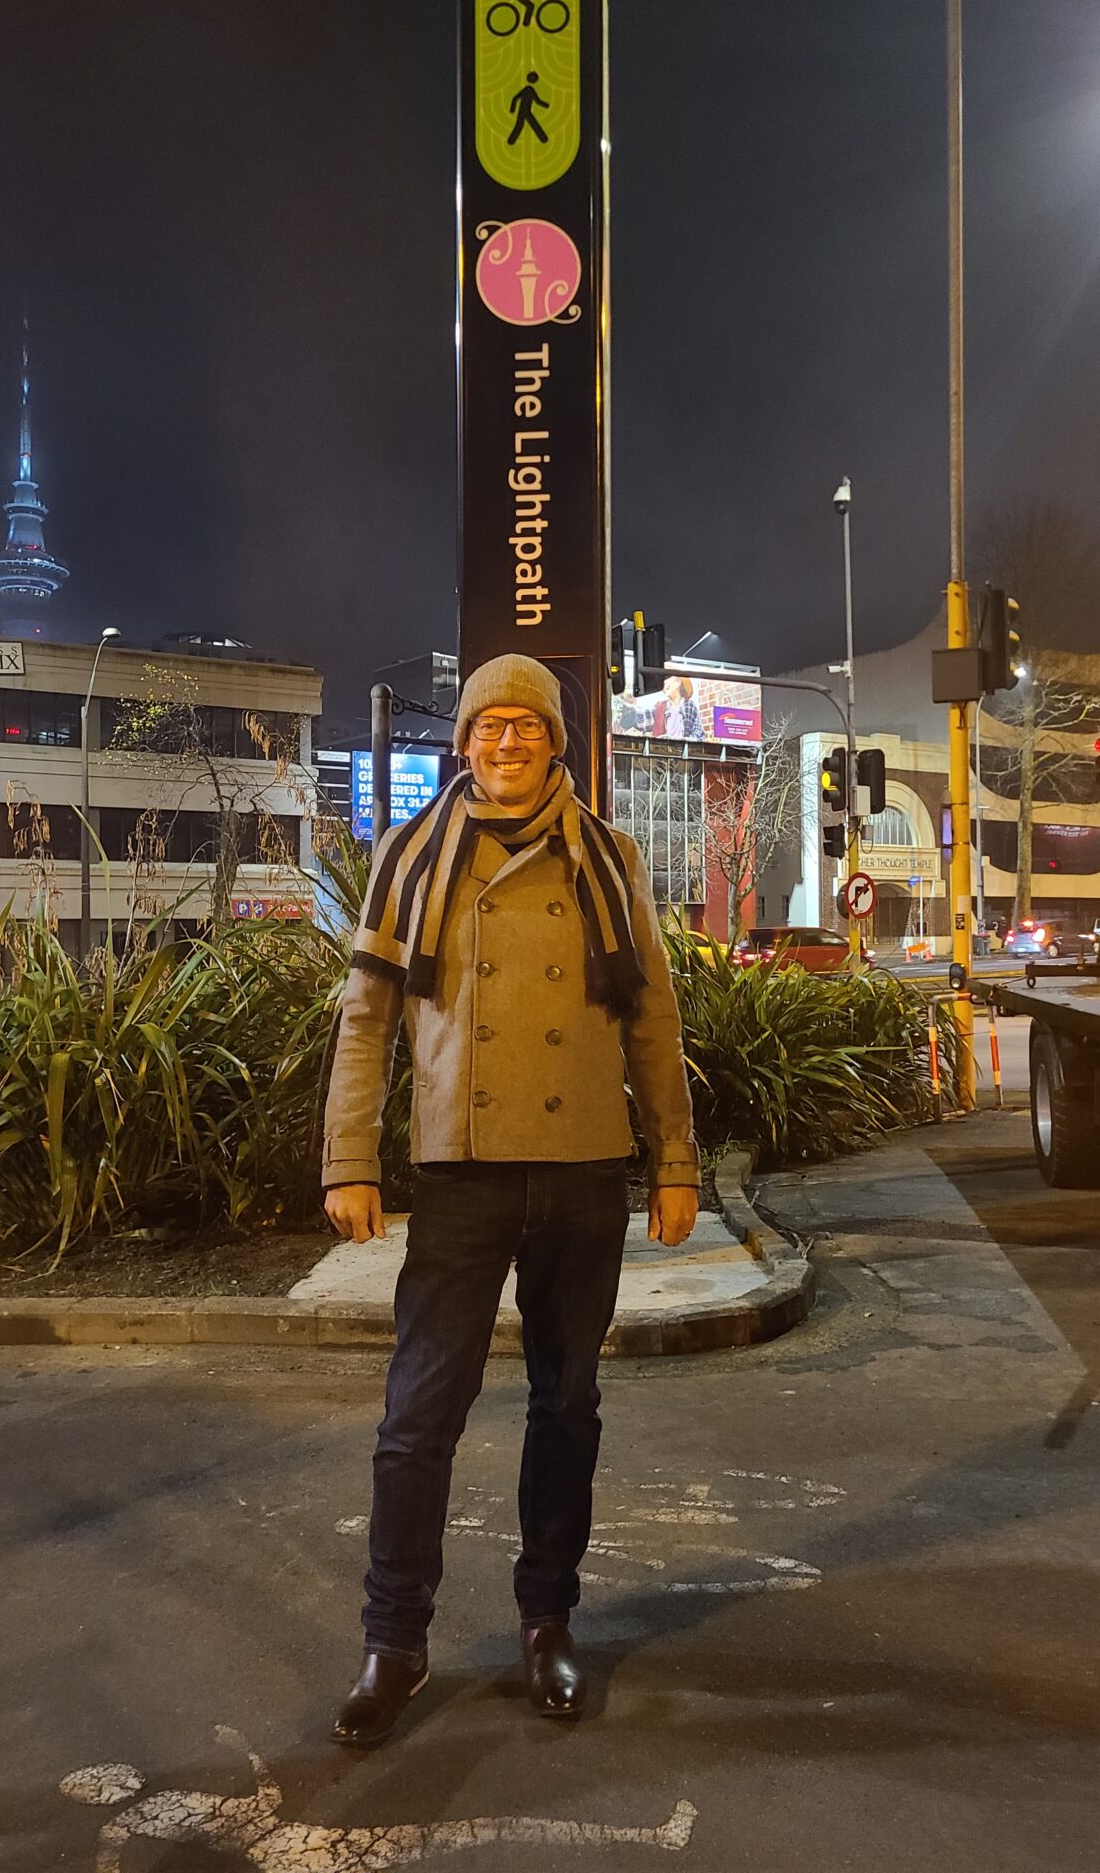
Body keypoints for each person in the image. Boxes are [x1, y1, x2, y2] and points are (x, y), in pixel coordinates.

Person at [321, 653, 699, 1748]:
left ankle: (547, 1622)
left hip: (583, 1164)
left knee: (566, 1404)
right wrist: (349, 1155)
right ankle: (394, 1641)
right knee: (417, 1415)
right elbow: (364, 1023)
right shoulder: (411, 856)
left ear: (555, 740)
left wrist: (674, 1160)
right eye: (489, 724)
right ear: (466, 742)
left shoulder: (610, 857)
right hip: (462, 1166)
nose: (506, 741)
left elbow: (653, 1025)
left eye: (526, 725)